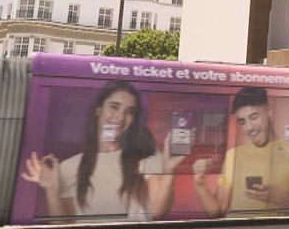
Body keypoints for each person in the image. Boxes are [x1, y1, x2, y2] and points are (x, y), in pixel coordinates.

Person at [20, 80, 178, 221]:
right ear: (98, 109)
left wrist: (169, 171)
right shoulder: (69, 167)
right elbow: (62, 225)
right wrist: (52, 190)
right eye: (114, 107)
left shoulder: (147, 157)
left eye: (129, 112)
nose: (120, 117)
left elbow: (158, 211)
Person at [191, 87, 289, 217]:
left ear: (269, 112)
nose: (249, 128)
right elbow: (217, 212)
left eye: (254, 117)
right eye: (243, 122)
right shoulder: (233, 155)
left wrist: (280, 198)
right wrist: (200, 184)